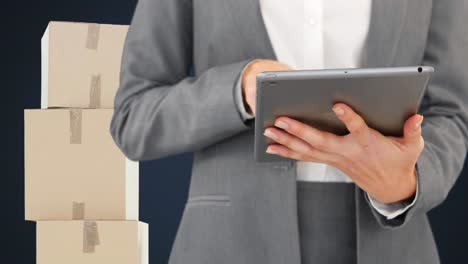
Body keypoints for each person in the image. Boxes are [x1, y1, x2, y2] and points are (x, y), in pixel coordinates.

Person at [110, 0, 468, 263]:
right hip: (230, 242)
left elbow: (449, 112)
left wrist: (406, 183)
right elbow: (133, 117)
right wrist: (237, 91)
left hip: (392, 245)